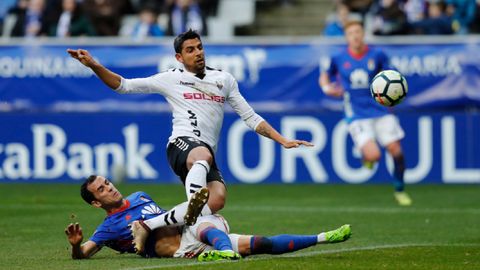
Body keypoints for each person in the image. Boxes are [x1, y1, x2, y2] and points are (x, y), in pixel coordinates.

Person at [67, 29, 313, 252]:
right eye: (190, 50)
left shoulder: (224, 80)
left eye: (200, 47)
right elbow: (124, 86)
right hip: (182, 146)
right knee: (203, 155)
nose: (198, 53)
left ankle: (148, 225)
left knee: (216, 201)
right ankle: (188, 223)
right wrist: (93, 65)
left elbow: (249, 116)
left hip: (204, 158)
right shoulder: (171, 79)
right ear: (179, 57)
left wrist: (282, 140)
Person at [65, 175, 352, 261]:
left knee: (261, 242)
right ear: (95, 203)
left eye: (107, 182)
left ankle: (324, 237)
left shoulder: (140, 196)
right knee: (201, 222)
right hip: (179, 248)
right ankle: (219, 248)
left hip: (189, 230)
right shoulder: (107, 228)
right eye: (101, 189)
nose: (109, 187)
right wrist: (77, 245)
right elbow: (84, 255)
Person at [318, 21, 412, 206]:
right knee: (374, 155)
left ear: (363, 34)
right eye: (351, 32)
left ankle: (399, 190)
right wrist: (327, 87)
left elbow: (391, 75)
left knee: (396, 150)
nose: (355, 36)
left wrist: (393, 90)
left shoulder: (377, 54)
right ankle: (367, 158)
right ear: (346, 37)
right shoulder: (338, 57)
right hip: (356, 113)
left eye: (358, 31)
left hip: (381, 110)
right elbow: (325, 75)